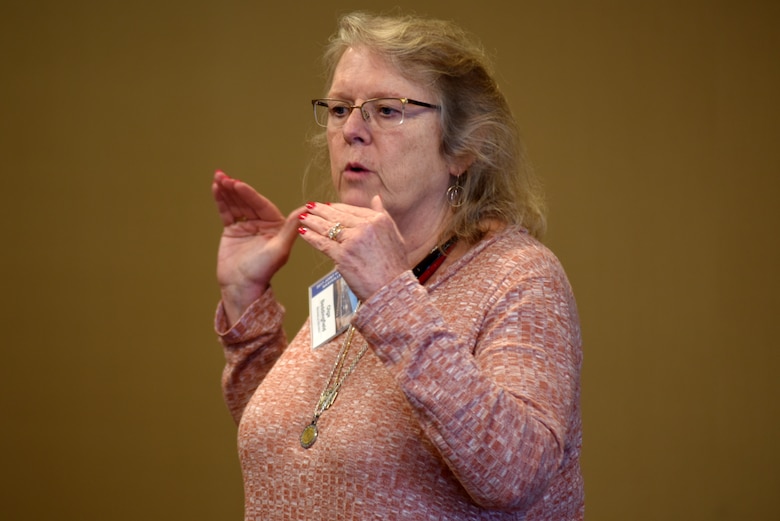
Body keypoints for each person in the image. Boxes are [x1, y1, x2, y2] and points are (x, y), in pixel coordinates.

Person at [211, 11, 583, 520]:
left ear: (463, 146)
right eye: (340, 109)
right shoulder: (351, 279)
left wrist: (390, 297)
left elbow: (515, 474)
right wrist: (245, 303)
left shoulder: (519, 277)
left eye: (387, 110)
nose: (352, 131)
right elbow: (302, 444)